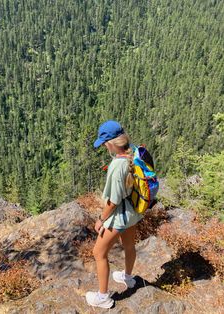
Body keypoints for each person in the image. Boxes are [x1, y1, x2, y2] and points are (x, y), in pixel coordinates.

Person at [85, 120, 144, 309]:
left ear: (111, 143)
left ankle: (103, 297)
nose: (103, 146)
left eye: (103, 143)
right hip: (134, 211)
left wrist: (101, 219)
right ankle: (128, 278)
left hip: (119, 215)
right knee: (129, 245)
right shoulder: (134, 151)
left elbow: (113, 201)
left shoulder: (117, 166)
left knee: (98, 253)